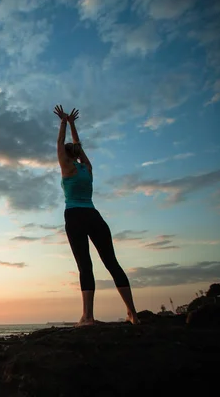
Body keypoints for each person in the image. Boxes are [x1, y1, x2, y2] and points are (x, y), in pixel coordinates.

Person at [54, 104, 140, 326]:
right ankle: (133, 313)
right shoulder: (87, 169)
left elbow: (59, 145)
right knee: (112, 263)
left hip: (74, 216)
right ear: (79, 153)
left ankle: (88, 317)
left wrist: (63, 123)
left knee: (86, 266)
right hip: (94, 216)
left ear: (67, 154)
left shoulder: (67, 167)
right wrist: (73, 124)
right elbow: (78, 147)